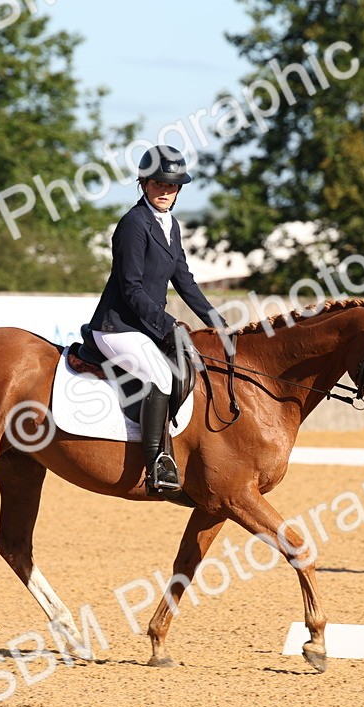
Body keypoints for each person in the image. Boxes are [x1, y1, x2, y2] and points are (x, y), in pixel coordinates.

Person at [86, 144, 220, 495]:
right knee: (161, 375)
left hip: (144, 326)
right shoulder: (134, 224)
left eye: (172, 185)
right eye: (158, 184)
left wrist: (216, 321)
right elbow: (130, 289)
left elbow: (184, 280)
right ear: (144, 183)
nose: (165, 191)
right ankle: (158, 462)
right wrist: (168, 325)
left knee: (189, 365)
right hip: (116, 326)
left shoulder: (171, 225)